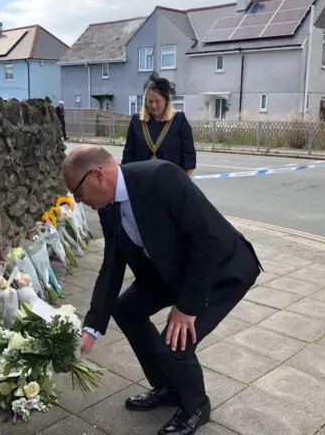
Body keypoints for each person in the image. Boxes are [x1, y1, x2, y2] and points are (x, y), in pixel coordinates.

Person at [62, 146, 262, 435]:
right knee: (126, 310)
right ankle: (168, 387)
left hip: (220, 270)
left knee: (175, 340)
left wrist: (187, 307)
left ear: (97, 175)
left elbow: (210, 240)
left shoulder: (161, 178)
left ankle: (195, 407)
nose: (78, 201)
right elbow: (112, 265)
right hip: (172, 270)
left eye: (77, 192)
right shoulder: (107, 206)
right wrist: (91, 330)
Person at [122, 73, 196, 176]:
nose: (153, 105)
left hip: (171, 181)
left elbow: (189, 156)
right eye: (150, 101)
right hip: (142, 181)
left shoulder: (179, 120)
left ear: (166, 101)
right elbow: (128, 156)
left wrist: (184, 183)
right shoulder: (136, 121)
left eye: (157, 101)